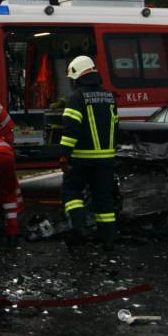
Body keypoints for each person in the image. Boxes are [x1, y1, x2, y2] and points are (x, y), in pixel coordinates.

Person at [59, 55, 118, 250]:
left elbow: (71, 130)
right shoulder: (109, 96)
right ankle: (108, 240)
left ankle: (80, 229)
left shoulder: (76, 98)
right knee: (103, 198)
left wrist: (64, 155)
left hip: (81, 159)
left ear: (77, 76)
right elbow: (115, 126)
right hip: (107, 159)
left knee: (71, 191)